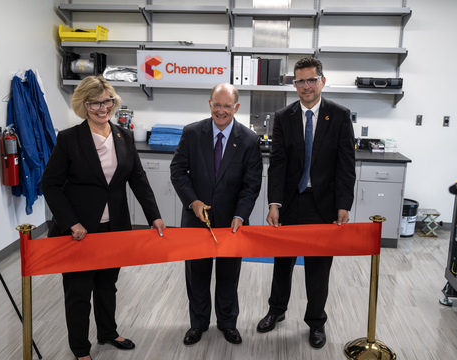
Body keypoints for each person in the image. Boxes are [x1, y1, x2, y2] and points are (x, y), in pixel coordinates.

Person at [42, 75, 165, 360]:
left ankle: (108, 332)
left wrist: (154, 216)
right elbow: (49, 184)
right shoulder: (70, 139)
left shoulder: (123, 135)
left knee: (107, 284)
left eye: (107, 101)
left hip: (115, 228)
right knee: (79, 291)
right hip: (80, 231)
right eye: (94, 103)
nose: (102, 108)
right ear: (83, 106)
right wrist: (71, 222)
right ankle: (80, 349)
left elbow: (137, 178)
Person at [256, 58, 356, 349]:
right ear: (294, 84)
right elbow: (277, 165)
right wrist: (274, 204)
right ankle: (276, 310)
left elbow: (345, 165)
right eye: (300, 81)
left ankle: (315, 322)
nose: (306, 86)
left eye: (311, 80)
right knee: (282, 263)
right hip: (290, 203)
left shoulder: (339, 116)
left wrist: (343, 204)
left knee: (318, 268)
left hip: (323, 205)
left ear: (322, 81)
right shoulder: (283, 116)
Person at [170, 83, 262, 346]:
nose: (221, 111)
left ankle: (227, 323)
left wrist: (241, 215)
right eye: (217, 105)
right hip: (196, 220)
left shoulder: (249, 140)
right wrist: (192, 201)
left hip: (232, 222)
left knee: (228, 275)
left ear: (237, 107)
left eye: (227, 106)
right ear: (210, 104)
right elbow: (178, 171)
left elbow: (251, 184)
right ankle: (198, 324)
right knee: (196, 274)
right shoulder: (191, 133)